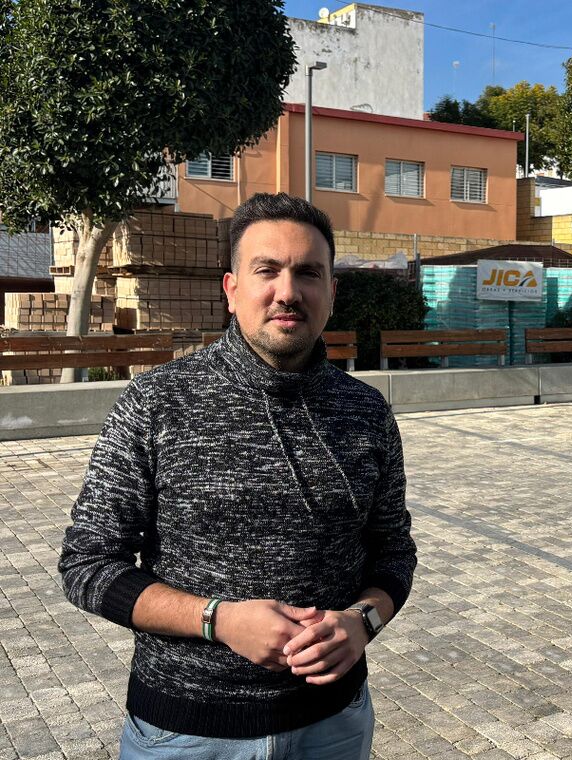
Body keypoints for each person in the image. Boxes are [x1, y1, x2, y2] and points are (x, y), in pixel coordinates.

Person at [58, 193, 416, 758]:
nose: (288, 291)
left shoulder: (368, 412)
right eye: (266, 270)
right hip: (186, 731)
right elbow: (86, 565)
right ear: (231, 289)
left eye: (308, 273)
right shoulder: (156, 404)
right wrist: (215, 620)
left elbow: (393, 551)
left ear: (330, 292)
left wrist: (362, 622)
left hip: (332, 725)